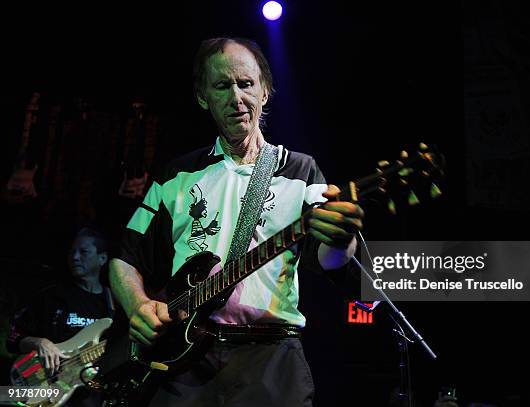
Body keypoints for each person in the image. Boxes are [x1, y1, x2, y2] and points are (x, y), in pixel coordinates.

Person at [108, 37, 364, 406]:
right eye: (221, 86)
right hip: (183, 364)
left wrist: (341, 240)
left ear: (265, 91)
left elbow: (330, 263)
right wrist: (138, 308)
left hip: (271, 359)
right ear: (202, 97)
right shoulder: (177, 175)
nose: (236, 97)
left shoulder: (301, 170)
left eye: (246, 84)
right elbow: (125, 257)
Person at [7, 227, 113, 405]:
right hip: (47, 387)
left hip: (92, 396)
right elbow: (12, 338)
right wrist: (39, 342)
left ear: (102, 258)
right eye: (72, 252)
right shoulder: (50, 297)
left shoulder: (112, 304)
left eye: (83, 251)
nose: (75, 257)